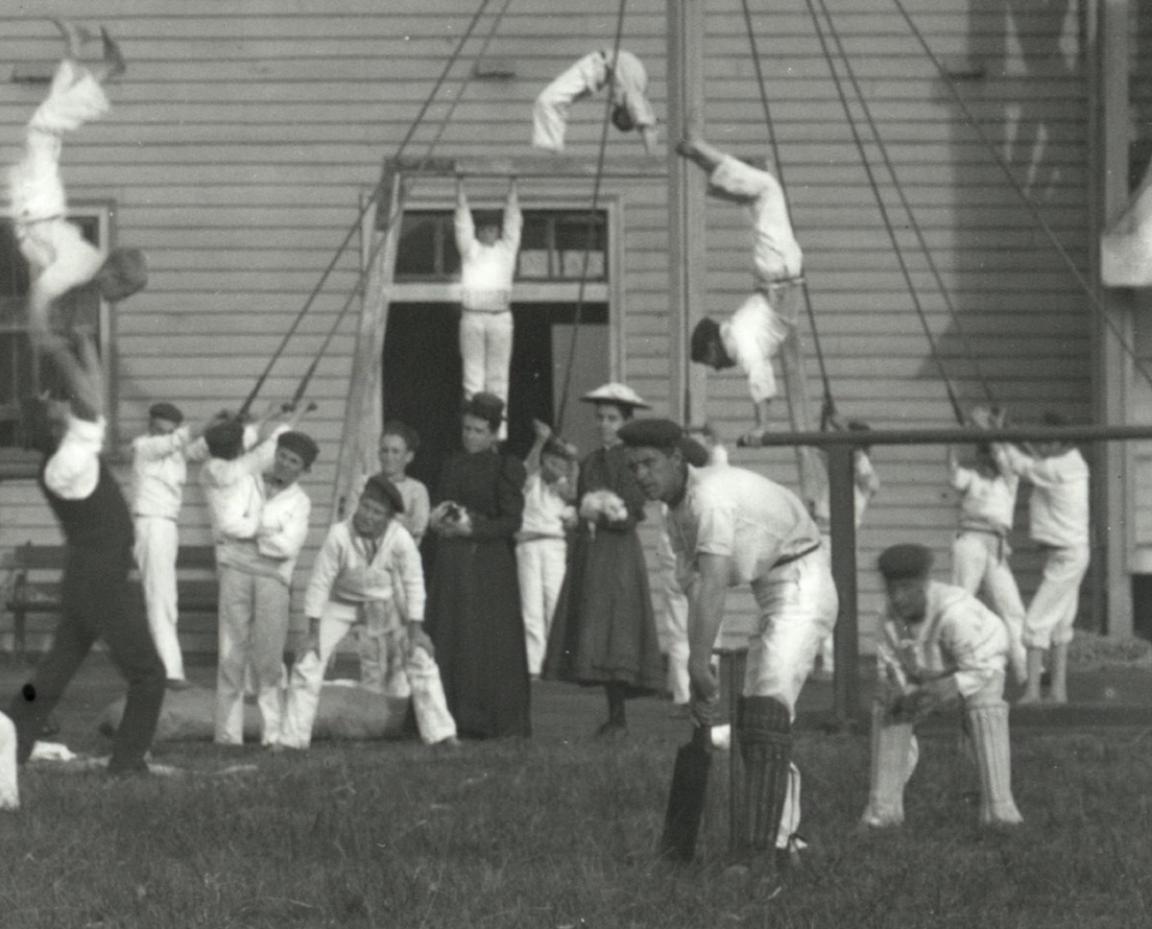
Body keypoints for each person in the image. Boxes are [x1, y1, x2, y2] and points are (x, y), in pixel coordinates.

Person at [618, 417, 838, 881]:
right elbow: (696, 587)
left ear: (677, 458)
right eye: (633, 466)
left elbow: (715, 580)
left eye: (650, 463)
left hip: (803, 580)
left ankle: (765, 851)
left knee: (766, 712)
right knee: (761, 721)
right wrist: (700, 678)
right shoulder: (674, 510)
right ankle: (781, 842)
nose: (641, 475)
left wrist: (700, 664)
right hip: (771, 589)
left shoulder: (709, 499)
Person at [8, 330, 165, 776]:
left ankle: (10, 744)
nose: (60, 401)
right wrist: (65, 349)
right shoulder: (68, 462)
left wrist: (86, 346)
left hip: (85, 580)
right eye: (51, 402)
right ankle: (128, 763)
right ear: (51, 424)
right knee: (149, 674)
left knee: (52, 676)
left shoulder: (61, 457)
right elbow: (92, 398)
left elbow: (91, 398)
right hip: (99, 582)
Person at [280, 475, 457, 750]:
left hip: (383, 603)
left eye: (377, 512)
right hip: (342, 603)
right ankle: (292, 740)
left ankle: (441, 734)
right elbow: (320, 582)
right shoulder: (338, 534)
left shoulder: (400, 538)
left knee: (420, 657)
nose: (367, 516)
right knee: (308, 660)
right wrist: (312, 633)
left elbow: (413, 581)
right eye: (365, 507)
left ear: (388, 519)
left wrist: (415, 630)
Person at [862, 543, 1023, 829]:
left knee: (984, 710)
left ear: (925, 581)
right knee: (889, 710)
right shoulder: (887, 617)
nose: (899, 597)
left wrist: (948, 688)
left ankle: (1000, 811)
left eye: (908, 587)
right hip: (926, 670)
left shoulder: (955, 611)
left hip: (979, 665)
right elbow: (890, 666)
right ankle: (883, 811)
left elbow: (985, 664)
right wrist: (898, 692)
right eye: (892, 588)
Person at [544, 384, 665, 737]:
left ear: (626, 422)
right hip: (591, 551)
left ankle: (619, 716)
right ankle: (612, 715)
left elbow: (632, 511)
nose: (604, 425)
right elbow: (582, 500)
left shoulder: (632, 461)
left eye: (612, 418)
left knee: (618, 628)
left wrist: (603, 511)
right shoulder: (591, 461)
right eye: (600, 418)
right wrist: (578, 514)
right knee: (595, 626)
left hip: (618, 554)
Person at [9, 21, 146, 332]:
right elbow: (41, 294)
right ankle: (107, 68)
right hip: (39, 208)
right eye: (122, 292)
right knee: (42, 126)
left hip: (40, 209)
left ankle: (75, 47)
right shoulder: (78, 267)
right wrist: (39, 333)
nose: (117, 300)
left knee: (49, 119)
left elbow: (55, 292)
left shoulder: (87, 266)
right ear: (112, 276)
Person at [677, 132, 804, 445]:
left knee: (766, 190)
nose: (718, 369)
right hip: (776, 275)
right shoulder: (737, 329)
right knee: (761, 194)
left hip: (778, 272)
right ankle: (711, 172)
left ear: (711, 347)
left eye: (711, 362)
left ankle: (701, 152)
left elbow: (760, 374)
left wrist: (762, 425)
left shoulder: (741, 340)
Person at [201, 412, 312, 747]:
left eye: (294, 462)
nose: (284, 465)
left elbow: (287, 546)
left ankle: (273, 734)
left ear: (304, 470)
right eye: (282, 456)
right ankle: (227, 736)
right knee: (231, 653)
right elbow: (227, 527)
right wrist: (264, 534)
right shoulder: (246, 481)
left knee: (268, 659)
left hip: (273, 582)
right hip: (236, 575)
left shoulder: (301, 502)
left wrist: (252, 537)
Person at [424, 393, 530, 739]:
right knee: (453, 632)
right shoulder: (452, 463)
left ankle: (488, 720)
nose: (471, 436)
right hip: (453, 561)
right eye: (467, 429)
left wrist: (474, 528)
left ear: (493, 433)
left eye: (479, 431)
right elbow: (441, 500)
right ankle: (448, 717)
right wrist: (440, 519)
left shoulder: (505, 467)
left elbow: (511, 521)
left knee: (487, 639)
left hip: (489, 564)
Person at [988, 411, 1090, 705]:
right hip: (1067, 553)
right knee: (1060, 626)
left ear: (1058, 442)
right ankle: (1058, 692)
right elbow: (1037, 455)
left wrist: (998, 435)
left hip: (1066, 556)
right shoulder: (1070, 460)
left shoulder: (1058, 468)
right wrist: (1008, 429)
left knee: (1035, 623)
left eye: (1046, 441)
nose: (1041, 446)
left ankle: (1033, 693)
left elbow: (1019, 464)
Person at [130, 401, 209, 689]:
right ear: (151, 428)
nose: (166, 436)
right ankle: (169, 673)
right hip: (150, 524)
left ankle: (166, 669)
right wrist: (204, 426)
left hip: (167, 527)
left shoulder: (177, 452)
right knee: (160, 598)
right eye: (161, 430)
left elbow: (206, 446)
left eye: (170, 431)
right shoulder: (143, 447)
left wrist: (238, 424)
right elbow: (176, 442)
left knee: (166, 599)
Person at [946, 407, 1028, 685]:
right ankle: (958, 663)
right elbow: (953, 471)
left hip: (996, 545)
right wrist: (960, 436)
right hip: (970, 539)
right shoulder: (972, 478)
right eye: (981, 456)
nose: (986, 461)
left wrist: (986, 428)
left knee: (1011, 606)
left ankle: (1026, 669)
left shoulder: (1009, 480)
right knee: (962, 600)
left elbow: (1002, 455)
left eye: (989, 456)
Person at [352, 420, 432, 695]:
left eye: (396, 451)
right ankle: (370, 701)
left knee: (400, 641)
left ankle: (399, 701)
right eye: (384, 450)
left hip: (399, 573)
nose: (388, 456)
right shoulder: (366, 484)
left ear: (408, 456)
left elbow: (417, 532)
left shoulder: (416, 490)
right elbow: (354, 525)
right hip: (370, 570)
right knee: (370, 641)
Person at [655, 423, 727, 713]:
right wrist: (716, 439)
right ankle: (706, 689)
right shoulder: (711, 486)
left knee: (679, 628)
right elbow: (720, 462)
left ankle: (685, 694)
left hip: (678, 559)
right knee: (708, 625)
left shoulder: (673, 491)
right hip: (700, 558)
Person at [811, 414, 880, 676]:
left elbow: (870, 480)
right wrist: (830, 421)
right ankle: (825, 661)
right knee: (817, 598)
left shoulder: (862, 469)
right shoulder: (839, 463)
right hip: (819, 534)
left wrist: (853, 445)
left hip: (836, 537)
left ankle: (832, 663)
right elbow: (820, 447)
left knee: (830, 599)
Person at [455, 177, 522, 421]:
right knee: (473, 375)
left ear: (497, 231)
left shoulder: (506, 251)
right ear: (478, 231)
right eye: (482, 229)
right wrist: (460, 192)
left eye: (492, 229)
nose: (487, 233)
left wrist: (512, 192)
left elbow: (513, 224)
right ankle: (474, 424)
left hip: (500, 316)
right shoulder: (471, 250)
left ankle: (497, 431)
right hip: (473, 314)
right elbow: (462, 225)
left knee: (498, 376)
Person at [516, 419, 579, 678]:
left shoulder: (562, 487)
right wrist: (541, 441)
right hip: (529, 546)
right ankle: (533, 664)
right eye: (550, 461)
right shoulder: (532, 481)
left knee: (554, 602)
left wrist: (573, 463)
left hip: (553, 546)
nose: (554, 466)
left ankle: (555, 663)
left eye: (560, 462)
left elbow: (572, 493)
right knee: (531, 607)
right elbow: (525, 470)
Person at [532, 49, 658, 153]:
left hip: (599, 68)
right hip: (597, 66)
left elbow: (648, 126)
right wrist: (651, 158)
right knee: (548, 101)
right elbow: (647, 128)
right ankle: (552, 149)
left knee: (550, 101)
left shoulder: (634, 92)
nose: (628, 116)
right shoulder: (633, 96)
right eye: (626, 119)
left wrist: (651, 158)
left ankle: (552, 148)